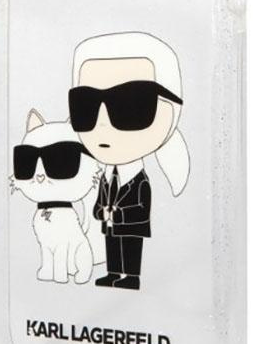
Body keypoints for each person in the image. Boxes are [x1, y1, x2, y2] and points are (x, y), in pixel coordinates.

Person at [68, 32, 190, 290]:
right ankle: (114, 273)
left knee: (131, 249)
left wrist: (118, 213)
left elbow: (142, 207)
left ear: (172, 110)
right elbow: (100, 200)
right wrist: (101, 212)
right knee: (112, 247)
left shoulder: (139, 180)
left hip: (131, 226)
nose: (103, 122)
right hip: (111, 225)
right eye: (85, 105)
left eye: (130, 105)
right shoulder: (105, 176)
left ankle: (131, 276)